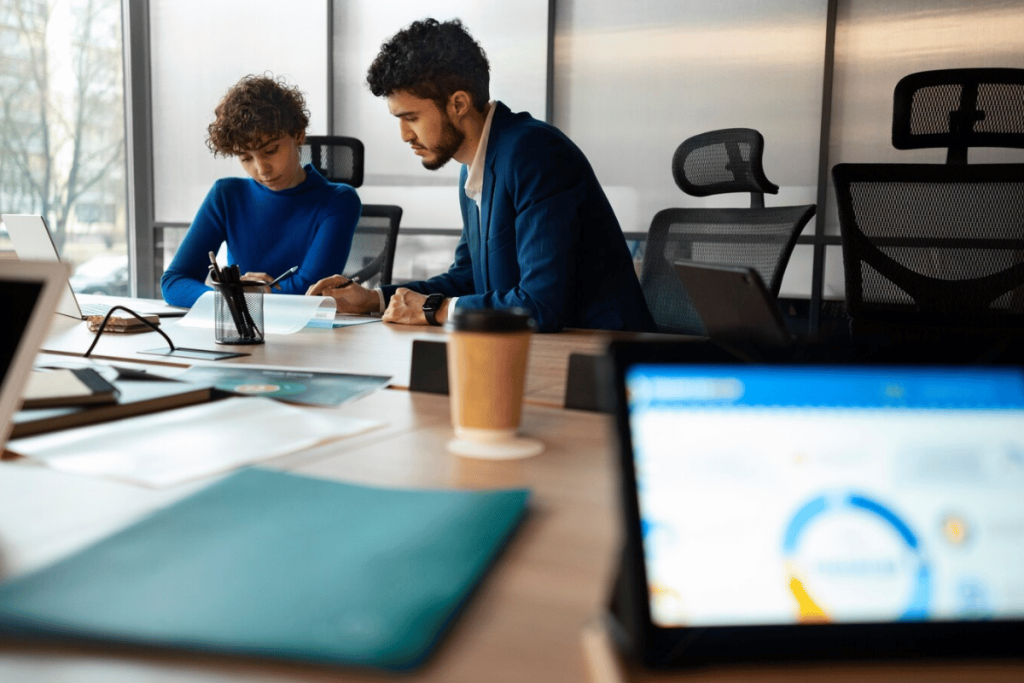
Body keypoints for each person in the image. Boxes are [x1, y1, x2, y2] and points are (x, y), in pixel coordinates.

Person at [307, 18, 655, 333]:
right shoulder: (475, 167)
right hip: (542, 351)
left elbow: (541, 304)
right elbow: (470, 278)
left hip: (604, 356)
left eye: (411, 117)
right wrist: (373, 300)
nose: (404, 135)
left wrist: (435, 309)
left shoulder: (534, 153)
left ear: (458, 104)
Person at [161, 74, 361, 308]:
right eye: (246, 158)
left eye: (271, 150)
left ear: (298, 134)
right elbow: (174, 282)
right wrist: (231, 299)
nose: (261, 169)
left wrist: (245, 296)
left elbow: (311, 290)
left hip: (308, 333)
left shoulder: (338, 201)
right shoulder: (226, 196)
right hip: (243, 330)